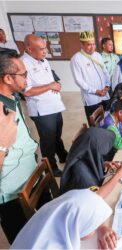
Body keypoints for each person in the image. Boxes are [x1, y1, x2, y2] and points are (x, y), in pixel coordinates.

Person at [0, 49, 52, 244]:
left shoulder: (12, 97)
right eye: (23, 74)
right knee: (23, 240)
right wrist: (3, 146)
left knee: (46, 222)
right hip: (11, 193)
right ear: (7, 78)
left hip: (30, 174)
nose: (27, 78)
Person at [21, 34, 67, 177]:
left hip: (54, 106)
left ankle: (64, 156)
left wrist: (55, 84)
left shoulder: (43, 60)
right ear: (29, 48)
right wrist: (50, 86)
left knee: (56, 135)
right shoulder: (23, 64)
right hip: (42, 110)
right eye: (41, 48)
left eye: (45, 47)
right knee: (48, 141)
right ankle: (51, 168)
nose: (45, 51)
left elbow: (50, 80)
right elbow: (27, 92)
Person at [11, 189, 117, 249]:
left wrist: (101, 227)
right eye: (93, 226)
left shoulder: (56, 215)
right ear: (76, 225)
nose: (94, 231)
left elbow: (83, 204)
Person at [60, 127, 122, 198]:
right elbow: (97, 195)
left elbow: (89, 162)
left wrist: (102, 165)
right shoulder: (80, 172)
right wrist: (118, 175)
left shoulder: (84, 151)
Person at [70, 31, 110, 121]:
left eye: (93, 44)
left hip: (104, 94)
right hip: (92, 98)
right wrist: (96, 91)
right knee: (95, 123)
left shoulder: (98, 55)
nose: (92, 47)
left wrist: (107, 86)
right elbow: (79, 81)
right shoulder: (76, 59)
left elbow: (105, 72)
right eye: (89, 45)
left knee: (108, 121)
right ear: (82, 44)